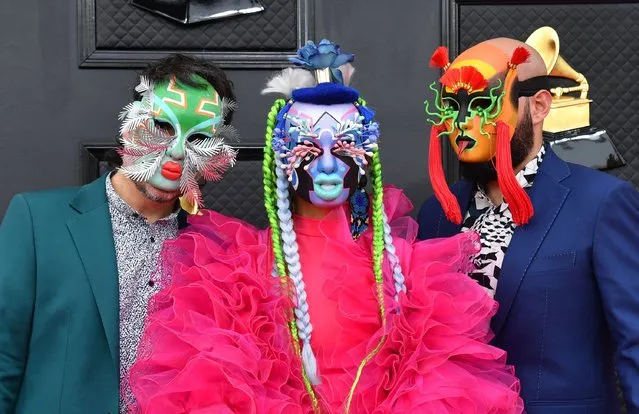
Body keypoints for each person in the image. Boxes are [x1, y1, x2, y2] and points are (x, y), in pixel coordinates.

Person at [126, 39, 524, 413]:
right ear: (282, 156)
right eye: (309, 147)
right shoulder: (233, 278)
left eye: (345, 146)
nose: (329, 166)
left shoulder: (409, 275)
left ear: (365, 157)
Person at [0, 54, 238, 414]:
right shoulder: (37, 221)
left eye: (198, 137)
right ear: (130, 124)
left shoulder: (222, 249)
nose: (176, 150)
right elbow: (4, 358)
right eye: (162, 126)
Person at [418, 38, 639, 413]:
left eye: (482, 104)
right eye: (451, 107)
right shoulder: (436, 214)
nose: (462, 122)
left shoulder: (601, 204)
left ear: (538, 106)